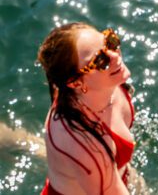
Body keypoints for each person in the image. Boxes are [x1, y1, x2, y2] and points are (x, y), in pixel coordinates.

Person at [38, 23, 135, 195]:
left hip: (107, 178)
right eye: (100, 61)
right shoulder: (84, 145)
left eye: (110, 42)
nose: (115, 55)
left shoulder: (108, 83)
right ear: (76, 83)